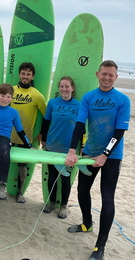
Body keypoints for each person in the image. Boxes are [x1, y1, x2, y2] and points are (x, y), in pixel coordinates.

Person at [65, 60, 130, 260]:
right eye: (104, 74)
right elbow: (79, 125)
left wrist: (105, 155)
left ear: (116, 77)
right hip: (89, 152)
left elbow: (120, 131)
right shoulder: (88, 97)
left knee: (107, 197)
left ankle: (100, 247)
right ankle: (87, 223)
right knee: (82, 190)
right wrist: (71, 150)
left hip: (112, 156)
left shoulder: (123, 100)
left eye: (111, 75)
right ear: (97, 74)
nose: (107, 78)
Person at [41, 76, 80, 219]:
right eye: (62, 86)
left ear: (72, 88)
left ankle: (63, 206)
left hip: (68, 148)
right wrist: (43, 139)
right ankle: (51, 203)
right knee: (51, 175)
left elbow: (81, 127)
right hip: (52, 144)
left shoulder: (78, 105)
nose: (64, 89)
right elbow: (46, 122)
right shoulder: (52, 103)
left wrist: (80, 146)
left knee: (65, 177)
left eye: (67, 86)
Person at [10, 62, 47, 203]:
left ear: (32, 77)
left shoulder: (37, 95)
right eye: (23, 73)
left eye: (28, 74)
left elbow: (47, 116)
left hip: (25, 138)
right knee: (3, 162)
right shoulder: (11, 91)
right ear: (19, 74)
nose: (25, 76)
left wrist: (43, 133)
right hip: (8, 135)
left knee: (22, 165)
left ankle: (19, 192)